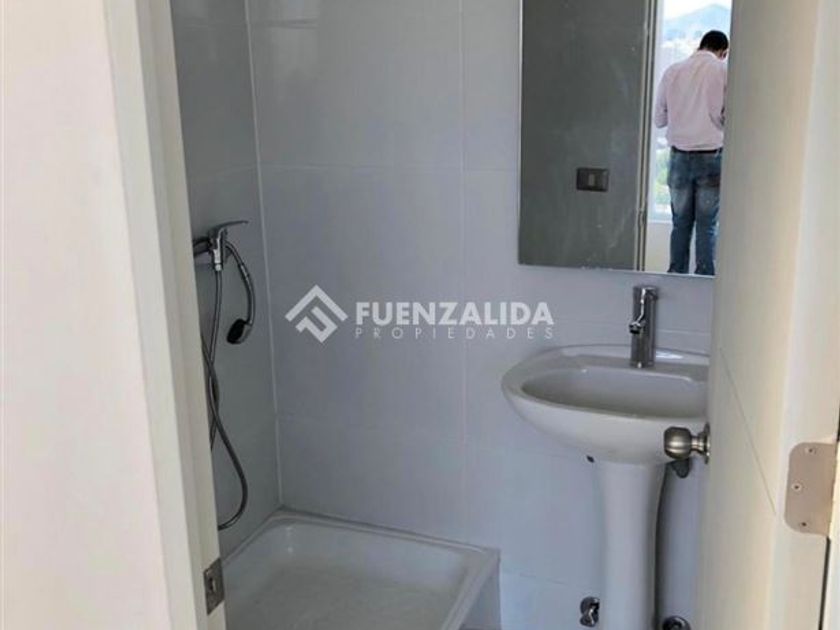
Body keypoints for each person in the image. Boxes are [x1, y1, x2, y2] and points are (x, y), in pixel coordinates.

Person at [654, 30, 729, 276]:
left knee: (680, 224)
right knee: (707, 226)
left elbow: (659, 119)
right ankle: (704, 280)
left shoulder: (673, 71)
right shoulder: (722, 71)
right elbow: (725, 116)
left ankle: (676, 274)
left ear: (700, 45)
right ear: (723, 52)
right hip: (711, 156)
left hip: (678, 157)